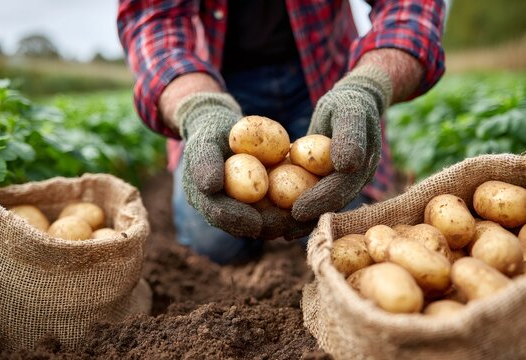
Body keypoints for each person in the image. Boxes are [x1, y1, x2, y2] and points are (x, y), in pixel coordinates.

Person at [117, 0, 445, 264]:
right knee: (214, 241)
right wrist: (199, 108)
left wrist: (368, 85)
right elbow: (152, 22)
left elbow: (411, 6)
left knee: (339, 220)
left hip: (321, 78)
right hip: (214, 81)